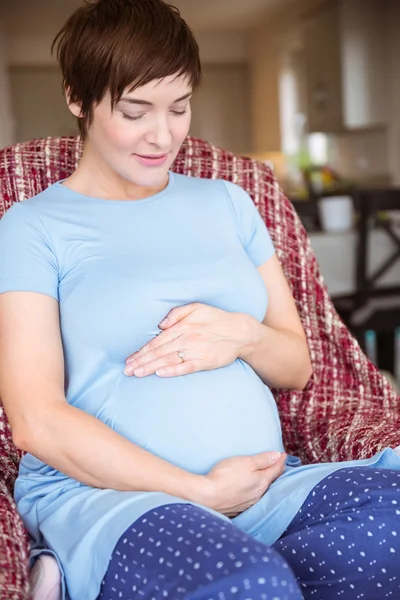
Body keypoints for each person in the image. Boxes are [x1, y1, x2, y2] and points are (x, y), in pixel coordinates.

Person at [0, 1, 399, 599]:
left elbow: (295, 365)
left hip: (267, 488)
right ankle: (123, 560)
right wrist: (199, 491)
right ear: (77, 99)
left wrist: (242, 334)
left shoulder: (231, 202)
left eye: (179, 107)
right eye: (135, 111)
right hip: (116, 498)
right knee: (250, 584)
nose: (163, 135)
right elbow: (36, 420)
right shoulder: (31, 226)